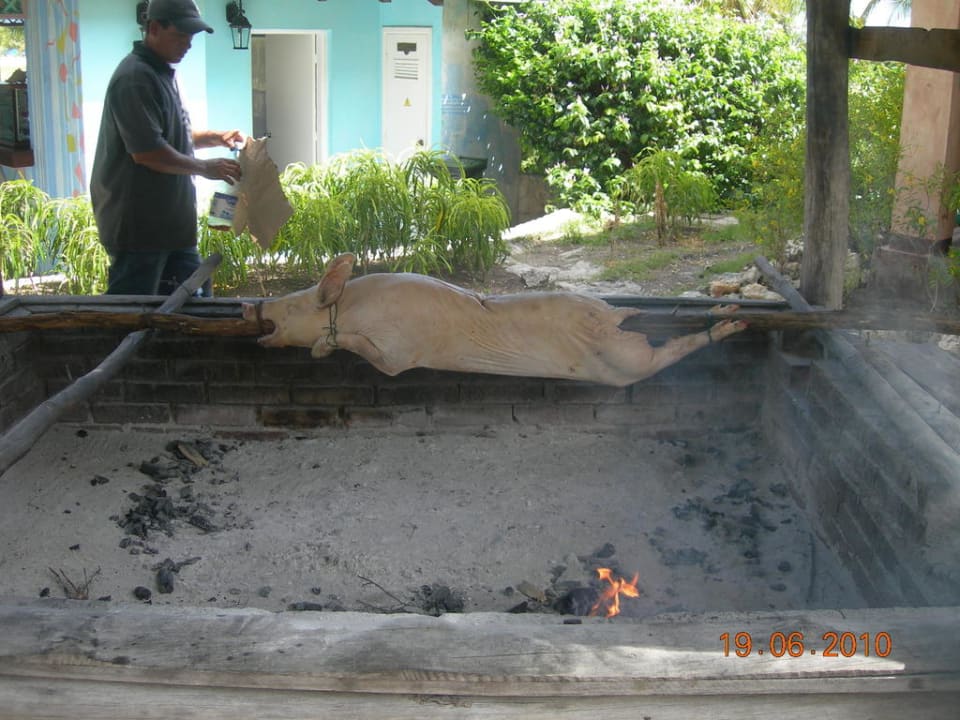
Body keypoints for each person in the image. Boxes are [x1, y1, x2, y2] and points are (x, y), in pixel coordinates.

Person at [90, 0, 244, 296]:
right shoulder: (134, 78)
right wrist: (205, 167)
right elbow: (147, 151)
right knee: (134, 315)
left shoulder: (165, 73)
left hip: (172, 229)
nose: (187, 44)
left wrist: (216, 137)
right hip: (140, 231)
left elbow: (173, 137)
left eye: (191, 36)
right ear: (153, 28)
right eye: (181, 34)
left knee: (193, 308)